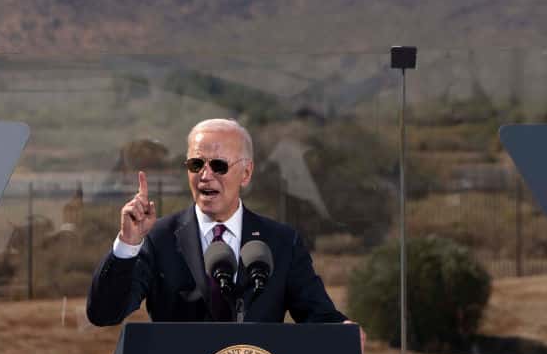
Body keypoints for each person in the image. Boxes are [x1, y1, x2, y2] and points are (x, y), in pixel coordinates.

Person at [86, 118, 355, 330]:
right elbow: (104, 314)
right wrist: (128, 244)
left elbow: (319, 317)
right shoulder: (158, 239)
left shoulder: (281, 242)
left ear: (246, 173)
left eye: (218, 165)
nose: (205, 175)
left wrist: (343, 329)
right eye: (195, 164)